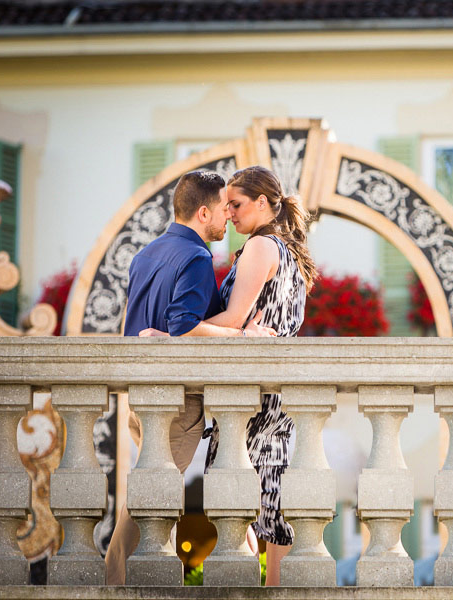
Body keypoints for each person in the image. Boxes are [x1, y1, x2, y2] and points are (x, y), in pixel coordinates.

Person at [141, 165, 317, 586]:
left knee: (250, 495)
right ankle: (273, 586)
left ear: (262, 203)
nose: (229, 213)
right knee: (267, 493)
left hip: (254, 387)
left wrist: (173, 334)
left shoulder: (260, 247)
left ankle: (270, 588)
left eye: (235, 205)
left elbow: (237, 318)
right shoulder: (285, 250)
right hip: (275, 387)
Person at [105, 170, 276, 585]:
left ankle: (117, 578)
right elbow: (182, 326)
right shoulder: (198, 257)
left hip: (141, 396)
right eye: (223, 209)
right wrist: (240, 333)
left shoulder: (146, 254)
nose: (227, 219)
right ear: (203, 212)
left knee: (146, 491)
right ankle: (114, 581)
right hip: (176, 402)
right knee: (151, 500)